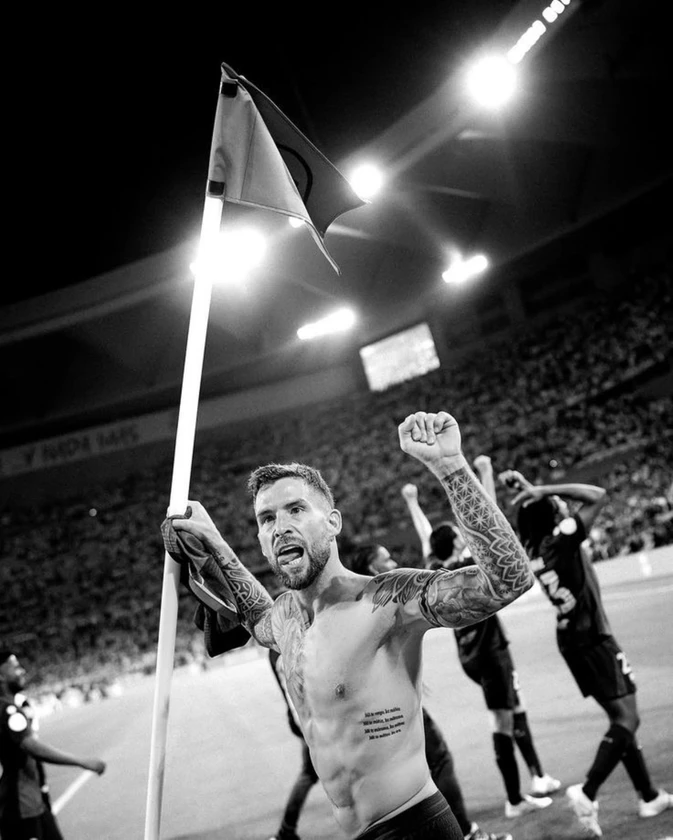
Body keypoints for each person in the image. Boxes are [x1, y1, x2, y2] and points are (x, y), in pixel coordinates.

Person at [164, 410, 536, 840]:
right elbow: (256, 616)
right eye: (267, 519)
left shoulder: (385, 600)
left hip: (415, 826)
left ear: (333, 523)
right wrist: (212, 540)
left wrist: (451, 467)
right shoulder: (285, 619)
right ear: (262, 542)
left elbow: (508, 580)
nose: (281, 527)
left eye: (296, 510)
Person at [501, 468, 672, 838]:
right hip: (592, 636)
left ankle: (648, 795)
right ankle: (588, 792)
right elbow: (598, 494)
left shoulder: (536, 548)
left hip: (571, 639)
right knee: (627, 719)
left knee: (619, 717)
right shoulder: (561, 540)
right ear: (551, 516)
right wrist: (545, 488)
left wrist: (533, 491)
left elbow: (545, 513)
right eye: (556, 506)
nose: (563, 507)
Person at [401, 456, 559, 822]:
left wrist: (412, 503)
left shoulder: (438, 570)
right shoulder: (469, 565)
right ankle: (515, 798)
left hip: (469, 653)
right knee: (503, 720)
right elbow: (489, 525)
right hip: (491, 652)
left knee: (515, 708)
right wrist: (485, 474)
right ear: (457, 542)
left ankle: (538, 776)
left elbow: (426, 535)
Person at [349, 543, 513, 840]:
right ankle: (467, 833)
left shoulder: (349, 606)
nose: (394, 562)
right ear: (373, 568)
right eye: (387, 559)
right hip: (393, 707)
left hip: (364, 718)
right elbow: (504, 583)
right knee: (438, 760)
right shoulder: (387, 599)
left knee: (394, 781)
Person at [0, 650, 106, 840]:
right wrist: (81, 761)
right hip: (20, 808)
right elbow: (32, 747)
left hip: (34, 802)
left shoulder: (11, 707)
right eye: (15, 667)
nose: (22, 671)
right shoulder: (7, 711)